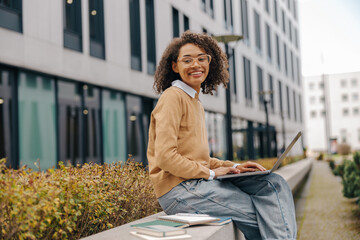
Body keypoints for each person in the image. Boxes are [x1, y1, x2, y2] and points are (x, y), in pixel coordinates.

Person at [147, 31, 297, 240]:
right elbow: (165, 157)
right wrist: (213, 174)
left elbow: (197, 159)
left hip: (197, 183)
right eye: (187, 60)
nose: (196, 65)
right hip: (179, 191)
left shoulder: (195, 102)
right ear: (175, 66)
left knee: (274, 183)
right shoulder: (173, 97)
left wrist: (235, 167)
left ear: (211, 62)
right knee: (264, 214)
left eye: (202, 58)